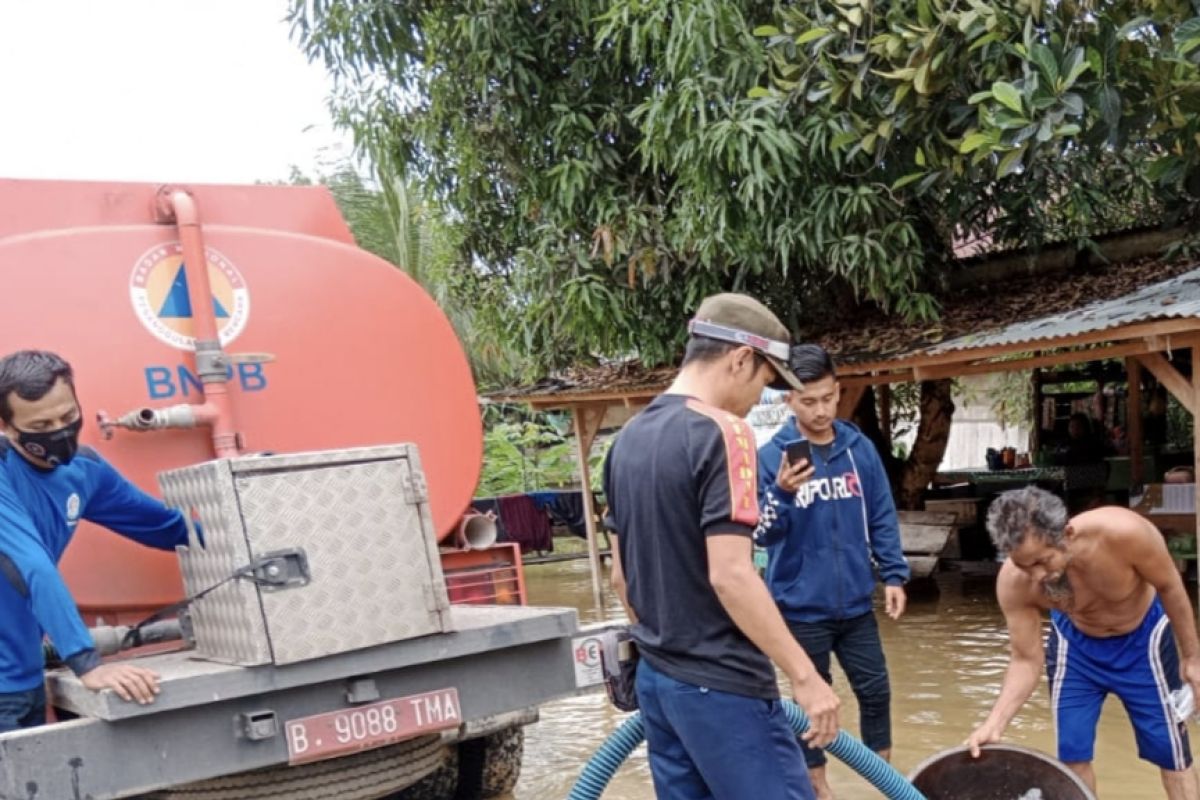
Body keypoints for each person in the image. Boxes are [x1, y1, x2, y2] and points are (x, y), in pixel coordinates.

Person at [603, 293, 840, 800]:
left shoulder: (626, 441)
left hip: (659, 682)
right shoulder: (726, 434)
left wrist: (668, 650)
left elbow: (622, 578)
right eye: (763, 381)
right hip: (724, 687)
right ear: (740, 359)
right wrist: (806, 677)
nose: (760, 399)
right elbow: (731, 575)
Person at [0, 350, 195, 732]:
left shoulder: (85, 471)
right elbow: (29, 565)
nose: (59, 431)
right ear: (7, 427)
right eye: (42, 424)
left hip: (24, 673)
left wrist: (246, 528)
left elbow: (164, 526)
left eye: (68, 416)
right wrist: (86, 663)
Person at [967, 486, 1200, 799]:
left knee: (1170, 751)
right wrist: (994, 724)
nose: (1036, 576)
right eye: (1024, 565)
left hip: (1143, 641)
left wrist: (1192, 658)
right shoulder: (1014, 582)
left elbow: (1170, 586)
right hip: (1075, 647)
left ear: (1067, 533)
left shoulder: (1124, 533)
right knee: (1072, 754)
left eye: (1042, 561)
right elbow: (1025, 660)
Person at [756, 344, 909, 800]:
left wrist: (895, 575)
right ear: (788, 401)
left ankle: (882, 777)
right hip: (800, 608)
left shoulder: (857, 448)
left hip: (856, 602)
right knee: (811, 708)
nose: (820, 411)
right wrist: (782, 492)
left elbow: (881, 512)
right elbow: (762, 535)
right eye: (808, 401)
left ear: (838, 392)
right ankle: (819, 787)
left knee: (876, 691)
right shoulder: (772, 457)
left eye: (828, 398)